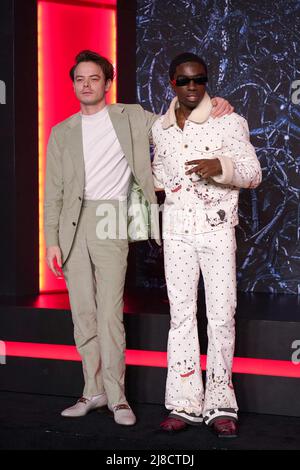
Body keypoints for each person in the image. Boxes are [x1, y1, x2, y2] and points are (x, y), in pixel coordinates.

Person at [44, 50, 233, 426]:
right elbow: (53, 192)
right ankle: (92, 390)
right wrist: (51, 239)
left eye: (93, 78)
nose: (86, 84)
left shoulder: (130, 116)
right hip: (70, 224)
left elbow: (177, 117)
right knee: (83, 315)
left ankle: (118, 398)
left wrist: (215, 104)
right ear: (73, 84)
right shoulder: (60, 131)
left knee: (109, 314)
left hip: (110, 217)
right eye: (80, 79)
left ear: (107, 82)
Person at [152, 52, 262, 437]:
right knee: (180, 319)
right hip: (177, 233)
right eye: (184, 81)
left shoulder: (228, 121)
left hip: (216, 232)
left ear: (206, 80)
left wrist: (222, 166)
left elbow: (253, 174)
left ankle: (220, 405)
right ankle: (183, 403)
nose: (193, 87)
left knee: (220, 317)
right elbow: (160, 178)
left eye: (199, 79)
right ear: (172, 84)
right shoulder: (159, 129)